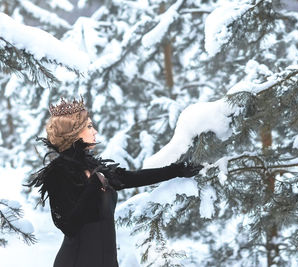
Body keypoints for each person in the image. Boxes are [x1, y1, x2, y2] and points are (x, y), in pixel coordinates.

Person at [28, 97, 203, 267]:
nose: (94, 131)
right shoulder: (59, 172)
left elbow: (131, 178)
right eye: (89, 126)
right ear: (73, 133)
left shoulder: (94, 167)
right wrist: (93, 187)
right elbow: (67, 225)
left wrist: (176, 170)